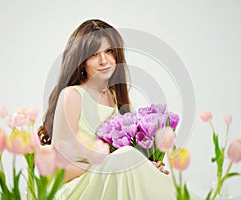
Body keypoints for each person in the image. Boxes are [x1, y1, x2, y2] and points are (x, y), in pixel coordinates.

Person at [38, 19, 176, 199]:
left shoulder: (116, 97)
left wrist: (142, 166)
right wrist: (111, 164)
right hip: (76, 189)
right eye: (94, 54)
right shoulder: (72, 95)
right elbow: (57, 171)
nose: (104, 61)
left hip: (109, 184)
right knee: (127, 156)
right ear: (81, 61)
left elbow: (124, 160)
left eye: (109, 51)